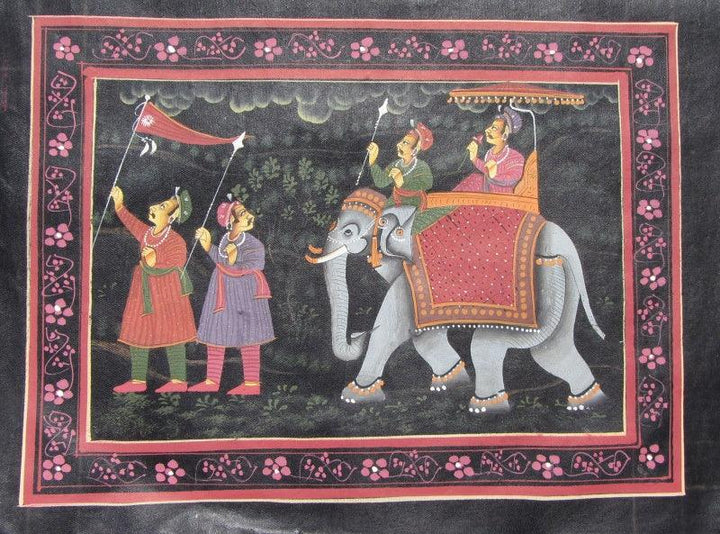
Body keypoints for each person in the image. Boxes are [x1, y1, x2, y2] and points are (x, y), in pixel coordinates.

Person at [110, 186, 196, 393]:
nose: (155, 208)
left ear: (172, 216)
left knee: (173, 334)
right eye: (156, 205)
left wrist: (154, 261)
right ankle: (138, 380)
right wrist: (119, 205)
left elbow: (177, 262)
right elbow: (132, 223)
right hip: (144, 290)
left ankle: (179, 380)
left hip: (168, 291)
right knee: (138, 330)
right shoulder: (147, 233)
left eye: (162, 207)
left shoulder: (175, 239)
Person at [188, 198, 275, 395]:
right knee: (216, 333)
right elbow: (222, 260)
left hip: (246, 293)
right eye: (243, 214)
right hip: (223, 291)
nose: (249, 216)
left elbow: (254, 265)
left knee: (249, 336)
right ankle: (212, 381)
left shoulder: (254, 244)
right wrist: (208, 245)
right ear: (230, 222)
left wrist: (232, 260)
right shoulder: (226, 239)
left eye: (247, 212)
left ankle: (251, 384)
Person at [453, 106, 526, 194]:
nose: (487, 130)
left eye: (494, 128)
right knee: (474, 178)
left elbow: (513, 179)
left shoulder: (515, 157)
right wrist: (474, 158)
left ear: (505, 135)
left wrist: (494, 175)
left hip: (502, 196)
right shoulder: (490, 152)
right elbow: (486, 169)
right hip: (487, 190)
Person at [367, 121, 434, 210]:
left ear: (415, 150)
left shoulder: (421, 166)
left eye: (405, 143)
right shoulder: (396, 164)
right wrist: (372, 161)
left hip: (414, 203)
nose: (398, 144)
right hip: (395, 200)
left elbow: (427, 184)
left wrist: (402, 182)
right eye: (402, 141)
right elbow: (381, 182)